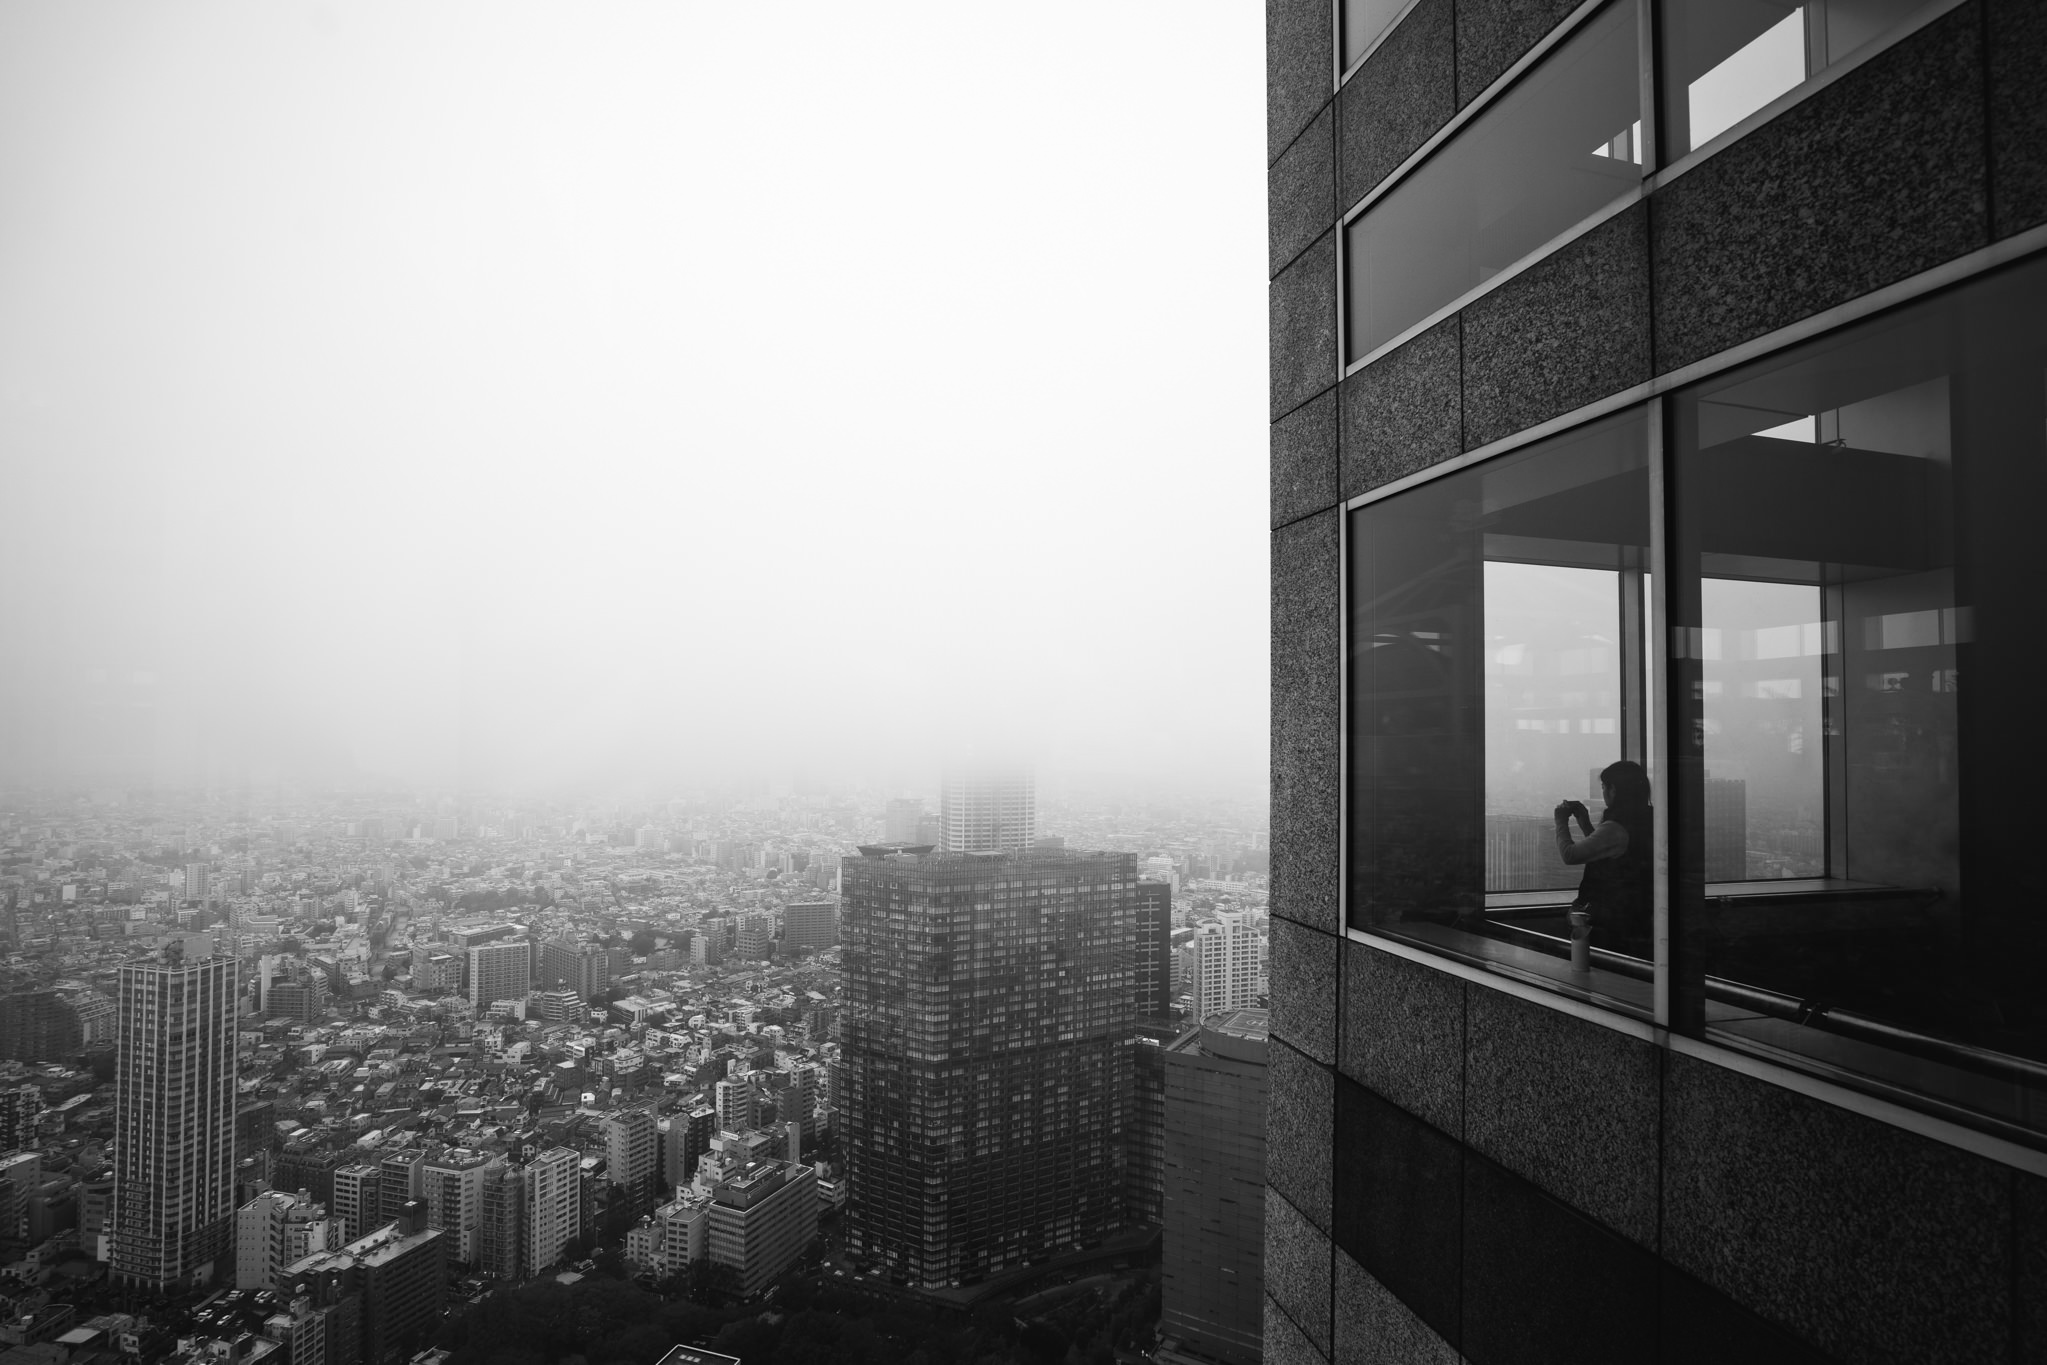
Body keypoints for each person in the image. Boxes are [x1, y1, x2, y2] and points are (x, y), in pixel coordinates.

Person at [1555, 759, 1652, 958]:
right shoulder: (1647, 818)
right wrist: (1584, 822)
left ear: (1613, 789)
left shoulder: (1616, 827)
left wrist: (1560, 821)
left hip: (1609, 918)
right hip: (1635, 913)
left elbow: (1570, 855)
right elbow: (1609, 851)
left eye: (1604, 787)